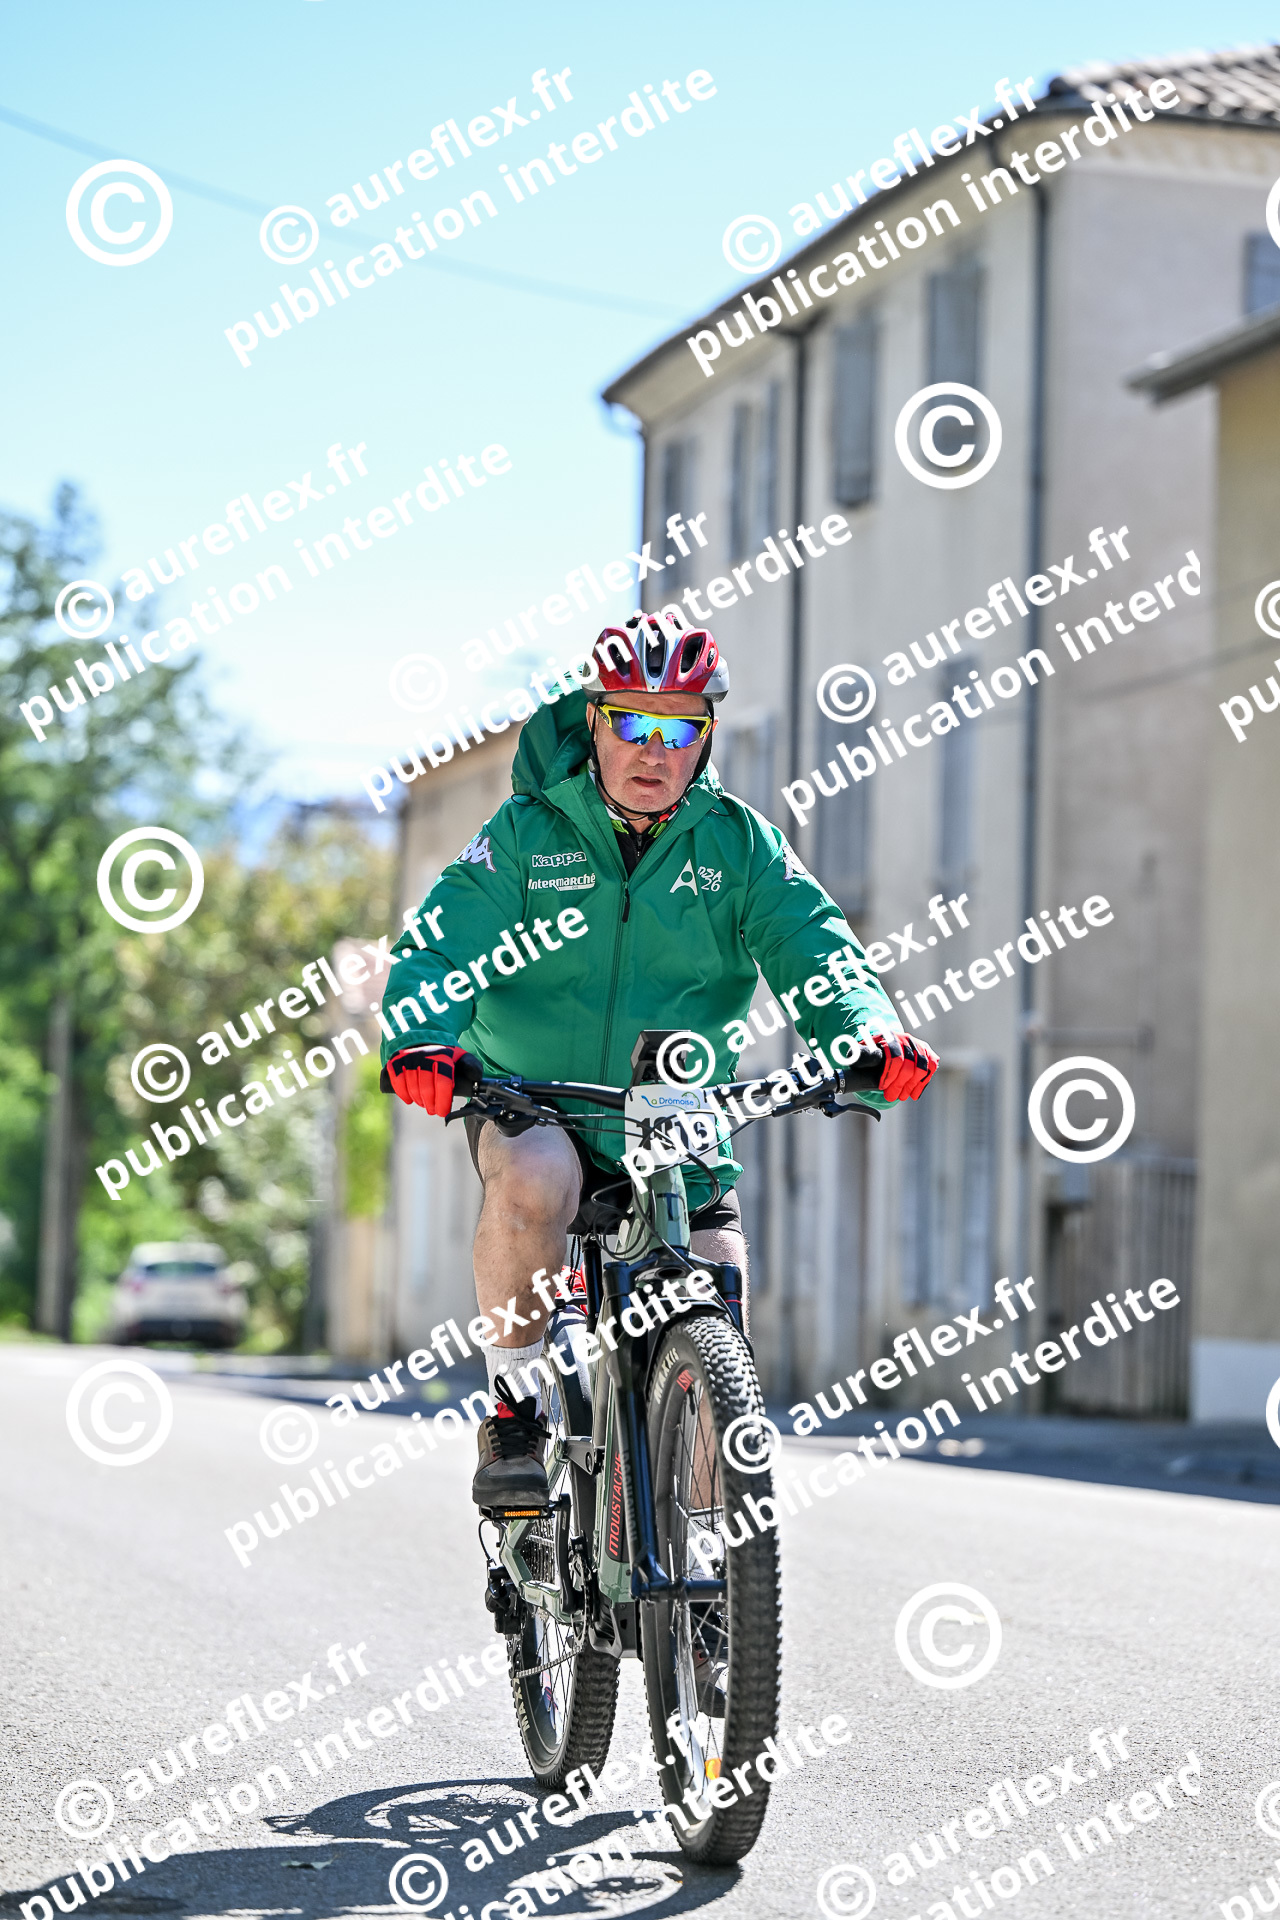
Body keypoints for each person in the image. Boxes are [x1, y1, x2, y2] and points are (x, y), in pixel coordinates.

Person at [381, 609, 938, 1510]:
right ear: (593, 723)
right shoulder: (525, 835)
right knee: (534, 1178)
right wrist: (421, 1038)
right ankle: (517, 1412)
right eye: (632, 723)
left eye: (679, 728)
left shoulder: (738, 844)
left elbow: (815, 946)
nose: (654, 750)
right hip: (535, 1098)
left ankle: (706, 1550)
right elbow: (442, 944)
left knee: (716, 1294)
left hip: (673, 1113)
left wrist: (867, 1034)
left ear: (705, 737)